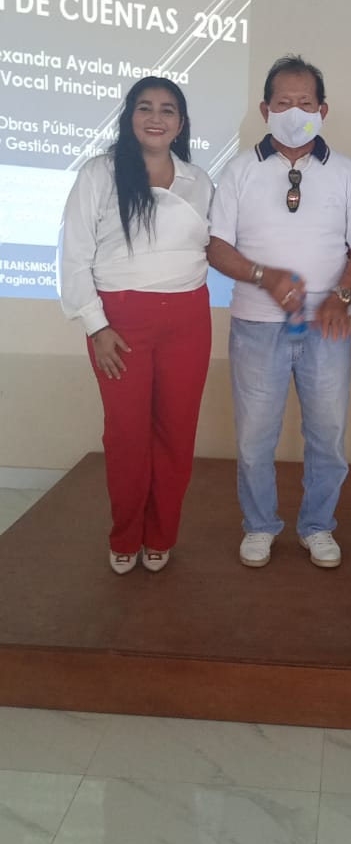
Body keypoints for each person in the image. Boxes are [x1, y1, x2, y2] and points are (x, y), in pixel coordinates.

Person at [207, 54, 351, 569]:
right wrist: (265, 276)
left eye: (305, 103)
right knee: (254, 437)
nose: (295, 112)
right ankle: (259, 526)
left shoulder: (344, 171)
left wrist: (340, 296)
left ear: (323, 110)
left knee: (327, 435)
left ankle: (318, 526)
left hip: (326, 325)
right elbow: (216, 247)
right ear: (265, 109)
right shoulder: (240, 170)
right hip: (256, 324)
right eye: (284, 103)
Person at [58, 76, 213, 575]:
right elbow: (74, 257)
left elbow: (212, 247)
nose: (156, 118)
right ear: (129, 118)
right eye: (145, 107)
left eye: (168, 110)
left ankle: (160, 534)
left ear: (180, 124)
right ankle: (125, 534)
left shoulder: (199, 181)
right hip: (119, 325)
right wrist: (96, 326)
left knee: (176, 433)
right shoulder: (99, 174)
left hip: (188, 321)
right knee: (127, 434)